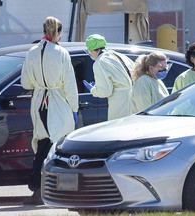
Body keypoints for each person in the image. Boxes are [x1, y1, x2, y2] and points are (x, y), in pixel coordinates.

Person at [20, 16, 79, 205]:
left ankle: (38, 187)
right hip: (58, 102)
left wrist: (40, 85)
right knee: (60, 146)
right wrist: (74, 108)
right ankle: (51, 189)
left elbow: (25, 82)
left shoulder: (32, 51)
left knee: (43, 143)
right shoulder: (61, 52)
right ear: (59, 32)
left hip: (39, 102)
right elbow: (70, 84)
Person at [83, 34, 134, 121]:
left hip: (120, 102)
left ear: (92, 50)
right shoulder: (118, 55)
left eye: (89, 51)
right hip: (134, 97)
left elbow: (105, 91)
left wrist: (93, 90)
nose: (90, 54)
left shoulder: (100, 62)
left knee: (118, 130)